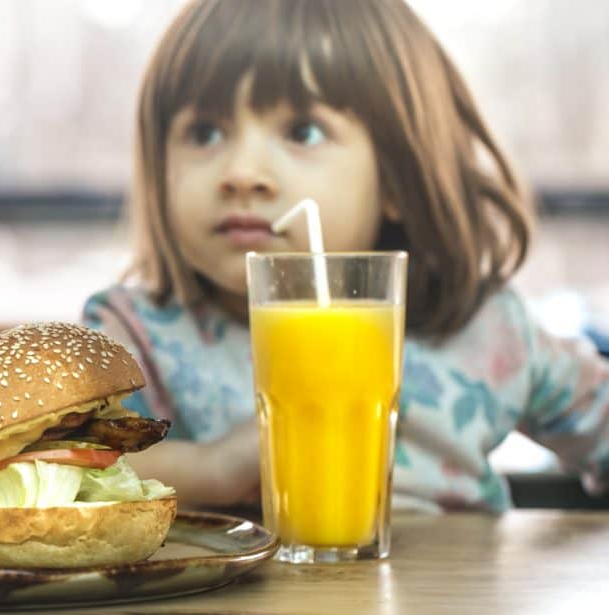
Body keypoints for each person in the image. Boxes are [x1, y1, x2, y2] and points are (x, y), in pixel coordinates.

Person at [82, 0, 609, 512]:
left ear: (397, 178)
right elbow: (75, 474)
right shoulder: (132, 338)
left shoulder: (489, 330)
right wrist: (212, 469)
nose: (242, 171)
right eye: (204, 132)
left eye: (303, 131)